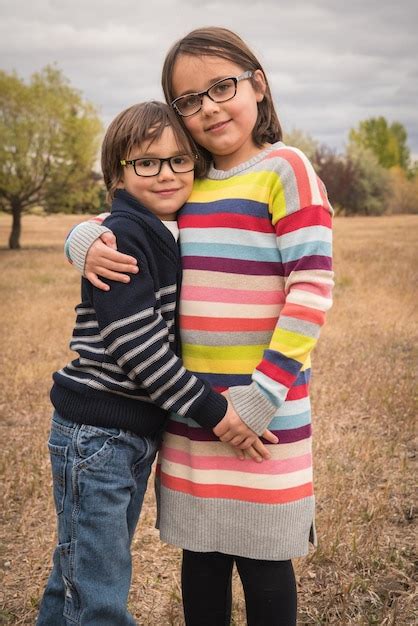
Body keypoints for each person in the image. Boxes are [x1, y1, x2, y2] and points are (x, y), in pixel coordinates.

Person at [64, 27, 334, 626]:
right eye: (189, 99)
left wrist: (262, 398)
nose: (208, 106)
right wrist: (81, 241)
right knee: (202, 559)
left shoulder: (285, 169)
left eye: (222, 86)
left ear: (257, 85)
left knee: (266, 562)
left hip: (263, 408)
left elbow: (311, 290)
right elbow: (123, 217)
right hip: (190, 413)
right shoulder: (189, 181)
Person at [38, 100, 276, 626]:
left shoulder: (168, 227)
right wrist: (215, 412)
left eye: (178, 161)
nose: (166, 174)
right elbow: (137, 346)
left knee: (78, 568)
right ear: (118, 173)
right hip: (98, 430)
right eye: (147, 162)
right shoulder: (123, 237)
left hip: (124, 433)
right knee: (98, 589)